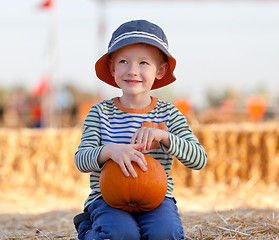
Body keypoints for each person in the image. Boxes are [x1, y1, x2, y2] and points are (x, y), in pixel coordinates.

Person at [74, 19, 207, 240]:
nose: (132, 71)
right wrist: (109, 151)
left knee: (166, 234)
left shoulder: (169, 114)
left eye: (144, 63)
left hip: (157, 199)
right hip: (107, 198)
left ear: (161, 70)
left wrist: (165, 137)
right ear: (112, 68)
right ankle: (88, 229)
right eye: (124, 61)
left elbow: (199, 159)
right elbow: (81, 160)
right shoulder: (99, 113)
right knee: (121, 235)